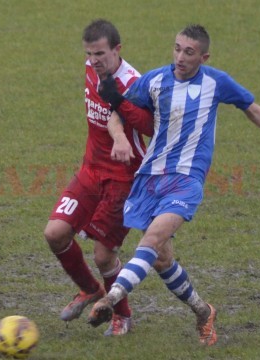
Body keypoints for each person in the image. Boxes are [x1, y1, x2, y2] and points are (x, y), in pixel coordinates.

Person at [87, 24, 260, 345]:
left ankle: (111, 299)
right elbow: (117, 113)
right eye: (177, 48)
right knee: (161, 259)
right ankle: (202, 310)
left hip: (186, 181)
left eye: (189, 52)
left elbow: (253, 109)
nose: (180, 57)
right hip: (150, 178)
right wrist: (119, 139)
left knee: (152, 240)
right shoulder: (155, 80)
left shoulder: (215, 82)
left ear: (203, 56)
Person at [43, 19, 153, 337]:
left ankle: (123, 316)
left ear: (117, 49)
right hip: (91, 170)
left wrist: (120, 133)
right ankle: (90, 290)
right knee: (55, 234)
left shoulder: (135, 83)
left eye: (101, 54)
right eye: (90, 54)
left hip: (124, 177)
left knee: (105, 255)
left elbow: (151, 127)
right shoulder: (90, 67)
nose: (95, 60)